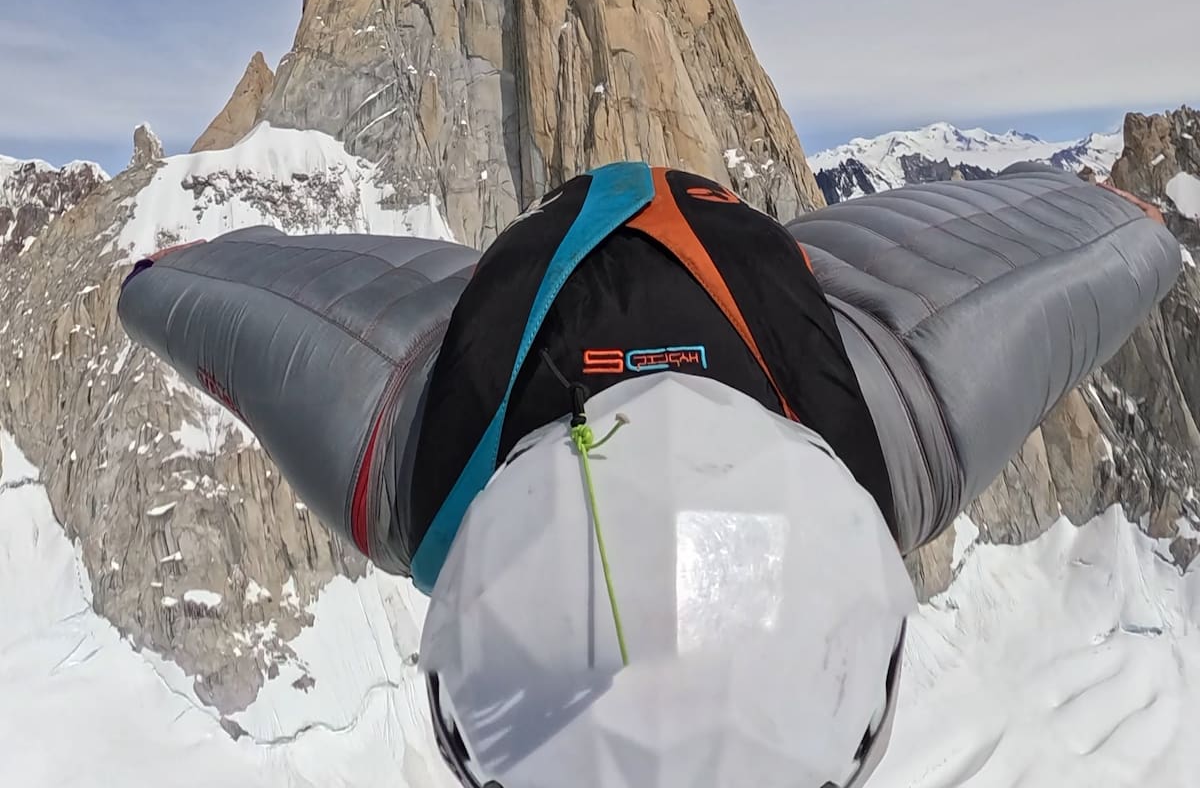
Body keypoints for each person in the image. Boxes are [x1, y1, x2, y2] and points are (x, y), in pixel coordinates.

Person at [118, 161, 1180, 787]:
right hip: (624, 306)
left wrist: (1128, 223)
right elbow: (232, 310)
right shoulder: (412, 471)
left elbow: (1083, 265)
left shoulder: (896, 437)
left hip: (723, 308)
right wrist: (157, 283)